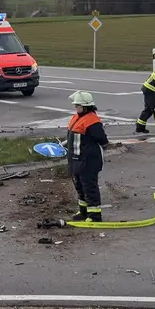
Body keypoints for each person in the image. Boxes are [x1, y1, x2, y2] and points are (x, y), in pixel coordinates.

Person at [65, 91, 109, 223]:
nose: (76, 108)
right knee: (80, 187)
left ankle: (95, 215)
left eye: (78, 106)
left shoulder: (92, 120)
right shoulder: (77, 117)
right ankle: (84, 212)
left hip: (88, 161)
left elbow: (102, 139)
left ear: (86, 106)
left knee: (89, 188)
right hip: (76, 160)